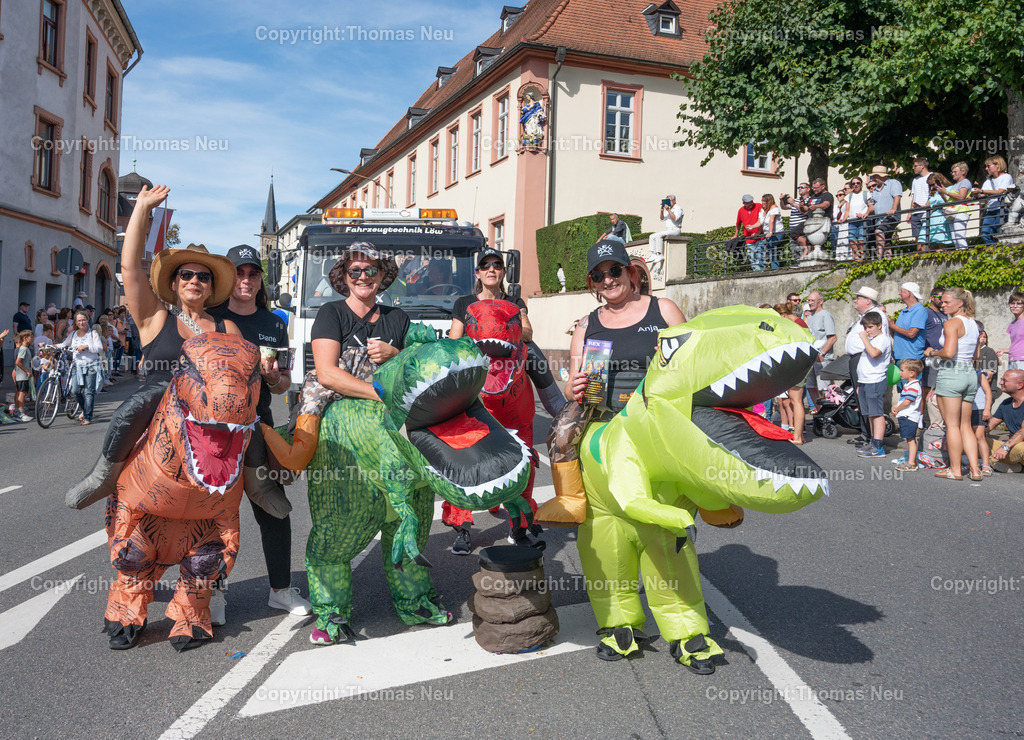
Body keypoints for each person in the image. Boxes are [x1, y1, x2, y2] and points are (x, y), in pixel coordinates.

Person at [65, 184, 241, 522]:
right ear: (174, 283)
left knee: (251, 419)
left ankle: (262, 485)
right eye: (186, 274)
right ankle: (105, 473)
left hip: (212, 409)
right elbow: (130, 269)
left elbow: (239, 373)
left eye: (203, 276)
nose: (194, 280)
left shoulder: (227, 327)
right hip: (163, 399)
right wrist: (141, 209)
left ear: (211, 286)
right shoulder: (157, 316)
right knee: (137, 403)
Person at [536, 239, 685, 526]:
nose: (608, 280)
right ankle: (570, 499)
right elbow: (569, 389)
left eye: (614, 271)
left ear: (631, 273)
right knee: (561, 426)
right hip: (603, 408)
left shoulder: (663, 309)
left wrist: (673, 359)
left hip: (655, 403)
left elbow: (694, 363)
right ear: (593, 284)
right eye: (598, 275)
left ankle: (712, 499)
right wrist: (574, 385)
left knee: (706, 416)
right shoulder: (585, 324)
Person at [307, 242, 407, 644]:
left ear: (384, 275)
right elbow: (327, 374)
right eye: (355, 271)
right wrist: (376, 392)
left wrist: (395, 351)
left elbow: (409, 368)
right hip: (337, 417)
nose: (363, 277)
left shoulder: (397, 317)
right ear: (343, 276)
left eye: (371, 271)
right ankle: (331, 611)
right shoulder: (331, 314)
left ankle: (414, 598)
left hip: (386, 428)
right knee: (339, 523)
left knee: (403, 514)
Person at [208, 245, 311, 618]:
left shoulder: (274, 323)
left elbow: (283, 384)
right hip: (215, 434)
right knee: (215, 515)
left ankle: (280, 589)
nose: (246, 280)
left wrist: (274, 378)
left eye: (253, 274)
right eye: (240, 273)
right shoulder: (212, 318)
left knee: (275, 511)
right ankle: (215, 593)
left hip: (259, 427)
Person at [446, 247, 543, 553]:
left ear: (502, 272)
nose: (491, 269)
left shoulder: (515, 301)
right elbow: (454, 340)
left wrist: (511, 327)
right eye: (485, 265)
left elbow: (526, 331)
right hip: (477, 386)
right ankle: (461, 525)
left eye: (496, 265)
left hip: (511, 385)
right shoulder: (464, 303)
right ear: (477, 273)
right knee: (464, 455)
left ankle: (521, 523)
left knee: (522, 450)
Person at [924, 287, 981, 481]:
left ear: (960, 303)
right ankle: (975, 470)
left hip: (951, 372)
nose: (943, 304)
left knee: (952, 425)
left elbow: (948, 353)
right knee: (966, 425)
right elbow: (977, 356)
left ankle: (955, 470)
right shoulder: (973, 324)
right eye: (942, 301)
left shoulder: (952, 323)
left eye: (947, 301)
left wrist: (932, 352)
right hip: (969, 373)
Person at [845, 286, 888, 446]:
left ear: (868, 300)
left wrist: (863, 338)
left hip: (869, 364)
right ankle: (866, 434)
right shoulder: (865, 316)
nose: (855, 300)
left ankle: (870, 437)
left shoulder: (876, 317)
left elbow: (877, 346)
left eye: (858, 297)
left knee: (872, 408)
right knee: (862, 401)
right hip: (861, 361)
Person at [854, 312, 892, 458]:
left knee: (876, 414)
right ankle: (872, 442)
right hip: (865, 381)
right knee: (870, 414)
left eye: (870, 327)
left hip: (875, 381)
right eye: (865, 327)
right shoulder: (873, 339)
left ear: (879, 325)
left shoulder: (882, 339)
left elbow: (874, 354)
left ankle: (878, 446)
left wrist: (864, 339)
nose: (867, 330)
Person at [57, 310, 104, 425]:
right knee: (75, 390)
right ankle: (84, 409)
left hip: (91, 365)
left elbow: (99, 348)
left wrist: (86, 346)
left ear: (87, 320)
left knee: (89, 392)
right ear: (75, 322)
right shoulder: (73, 334)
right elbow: (64, 344)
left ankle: (87, 416)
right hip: (77, 365)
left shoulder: (93, 333)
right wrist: (50, 345)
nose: (81, 322)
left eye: (83, 320)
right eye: (79, 320)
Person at [773, 302, 810, 444]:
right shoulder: (798, 322)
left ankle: (798, 437)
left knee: (796, 400)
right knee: (795, 400)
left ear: (783, 315)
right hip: (798, 364)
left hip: (799, 364)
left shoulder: (797, 324)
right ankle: (799, 435)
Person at [971, 323, 998, 477]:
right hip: (967, 408)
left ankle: (986, 464)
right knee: (970, 436)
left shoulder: (979, 373)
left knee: (980, 436)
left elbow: (988, 393)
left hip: (980, 408)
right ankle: (973, 461)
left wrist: (987, 409)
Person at [986, 369, 1024, 473]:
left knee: (1022, 448)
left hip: (1018, 447)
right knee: (977, 440)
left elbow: (1023, 432)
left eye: (1004, 380)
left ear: (1020, 385)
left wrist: (1005, 447)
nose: (1000, 382)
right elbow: (989, 425)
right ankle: (1014, 466)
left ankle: (988, 462)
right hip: (1012, 448)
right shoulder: (1006, 403)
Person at [805, 291, 836, 406]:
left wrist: (822, 353)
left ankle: (827, 417)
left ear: (821, 301)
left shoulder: (825, 315)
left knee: (824, 389)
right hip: (811, 359)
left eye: (812, 300)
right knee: (811, 387)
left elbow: (832, 338)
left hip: (822, 359)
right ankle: (819, 415)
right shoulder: (811, 316)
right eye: (808, 300)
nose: (810, 303)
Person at [893, 359, 924, 471]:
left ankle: (911, 463)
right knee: (909, 439)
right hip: (906, 416)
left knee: (911, 440)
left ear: (912, 373)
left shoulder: (914, 386)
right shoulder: (909, 385)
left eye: (902, 370)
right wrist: (896, 406)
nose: (900, 372)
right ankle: (911, 461)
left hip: (909, 417)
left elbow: (907, 402)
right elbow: (903, 399)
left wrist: (897, 408)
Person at [974, 155, 1013, 244]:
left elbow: (1000, 191)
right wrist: (977, 194)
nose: (986, 169)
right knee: (985, 233)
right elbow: (983, 195)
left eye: (988, 166)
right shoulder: (988, 181)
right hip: (991, 209)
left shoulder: (1006, 177)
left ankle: (1002, 251)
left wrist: (982, 191)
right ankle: (994, 249)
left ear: (997, 165)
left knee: (1001, 232)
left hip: (1002, 209)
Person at [866, 166, 903, 258]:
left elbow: (897, 196)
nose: (873, 178)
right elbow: (872, 205)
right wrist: (866, 214)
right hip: (879, 219)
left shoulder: (893, 183)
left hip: (891, 217)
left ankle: (879, 257)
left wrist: (894, 209)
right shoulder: (876, 190)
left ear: (881, 176)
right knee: (886, 240)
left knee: (879, 231)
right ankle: (888, 259)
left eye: (874, 176)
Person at [935, 162, 973, 249]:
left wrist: (946, 192)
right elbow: (949, 201)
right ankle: (960, 254)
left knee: (959, 236)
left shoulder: (965, 182)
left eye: (955, 172)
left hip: (961, 211)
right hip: (953, 212)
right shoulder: (955, 185)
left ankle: (964, 254)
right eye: (952, 172)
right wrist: (942, 194)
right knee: (955, 238)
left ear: (963, 172)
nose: (953, 174)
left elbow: (961, 197)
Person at [794, 178, 834, 259]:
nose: (814, 190)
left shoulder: (828, 195)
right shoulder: (813, 197)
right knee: (794, 232)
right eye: (813, 188)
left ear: (823, 186)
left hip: (821, 222)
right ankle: (807, 246)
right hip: (810, 221)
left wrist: (816, 206)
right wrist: (801, 207)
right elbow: (806, 210)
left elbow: (826, 205)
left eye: (816, 188)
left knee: (816, 239)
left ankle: (810, 248)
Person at [647, 195, 683, 276]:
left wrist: (668, 210)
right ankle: (653, 254)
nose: (668, 202)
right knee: (652, 236)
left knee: (659, 236)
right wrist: (662, 210)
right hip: (668, 229)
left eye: (669, 200)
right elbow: (662, 219)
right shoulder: (668, 209)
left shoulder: (678, 208)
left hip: (675, 229)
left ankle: (660, 255)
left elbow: (675, 218)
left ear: (674, 200)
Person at [919, 173, 953, 250]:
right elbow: (928, 204)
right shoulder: (933, 192)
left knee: (940, 239)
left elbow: (949, 202)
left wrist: (942, 193)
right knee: (924, 238)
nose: (933, 186)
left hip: (942, 215)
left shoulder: (950, 188)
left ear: (940, 180)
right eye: (930, 185)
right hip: (932, 216)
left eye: (933, 184)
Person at [780, 183, 810, 262]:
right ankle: (798, 263)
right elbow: (784, 207)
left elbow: (804, 211)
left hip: (801, 230)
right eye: (798, 187)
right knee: (793, 248)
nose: (800, 189)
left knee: (802, 248)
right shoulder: (796, 200)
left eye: (802, 187)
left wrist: (793, 203)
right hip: (793, 230)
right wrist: (781, 200)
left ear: (808, 189)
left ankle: (803, 262)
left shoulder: (809, 200)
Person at [907, 157, 932, 242]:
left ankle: (930, 254)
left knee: (928, 237)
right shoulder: (915, 180)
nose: (913, 168)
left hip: (926, 211)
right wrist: (910, 212)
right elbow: (914, 196)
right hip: (915, 212)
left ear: (922, 166)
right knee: (918, 239)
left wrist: (926, 206)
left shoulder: (932, 176)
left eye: (915, 166)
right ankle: (921, 255)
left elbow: (933, 193)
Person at [12, 330, 35, 422]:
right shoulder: (23, 349)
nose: (32, 339)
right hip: (22, 376)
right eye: (31, 337)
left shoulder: (25, 348)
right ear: (25, 338)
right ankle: (20, 413)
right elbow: (18, 362)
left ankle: (17, 411)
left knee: (20, 393)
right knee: (22, 393)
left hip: (21, 375)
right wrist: (27, 371)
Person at [757, 194, 784, 270]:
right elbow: (759, 223)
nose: (762, 202)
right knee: (765, 249)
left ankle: (773, 268)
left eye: (764, 201)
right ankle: (763, 269)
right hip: (768, 234)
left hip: (777, 233)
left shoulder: (774, 208)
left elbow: (771, 221)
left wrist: (770, 232)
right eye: (762, 200)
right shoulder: (763, 210)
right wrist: (751, 227)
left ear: (768, 201)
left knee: (768, 247)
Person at [846, 177, 870, 261]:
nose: (856, 185)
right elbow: (847, 210)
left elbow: (871, 206)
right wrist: (843, 219)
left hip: (862, 220)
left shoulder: (866, 194)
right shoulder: (849, 196)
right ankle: (856, 258)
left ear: (861, 184)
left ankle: (863, 258)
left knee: (861, 240)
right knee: (852, 241)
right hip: (852, 221)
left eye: (858, 183)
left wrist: (865, 214)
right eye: (853, 183)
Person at [832, 185, 851, 260]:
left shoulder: (847, 203)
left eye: (841, 195)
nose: (838, 196)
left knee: (845, 243)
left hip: (844, 225)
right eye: (837, 195)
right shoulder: (836, 206)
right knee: (837, 243)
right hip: (837, 226)